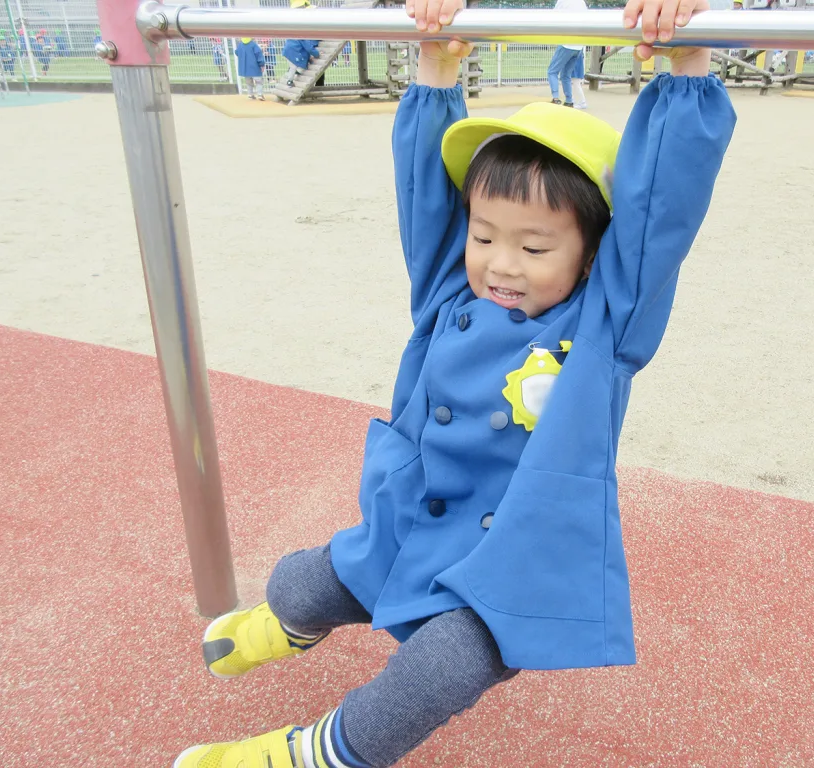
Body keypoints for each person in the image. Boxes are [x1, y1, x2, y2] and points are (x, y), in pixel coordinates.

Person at [172, 0, 735, 765]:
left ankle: (317, 754)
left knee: (436, 670)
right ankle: (289, 626)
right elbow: (424, 200)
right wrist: (437, 62)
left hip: (514, 560)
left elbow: (659, 211)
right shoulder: (449, 291)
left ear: (593, 254)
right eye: (485, 236)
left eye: (535, 247)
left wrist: (686, 66)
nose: (501, 265)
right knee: (305, 582)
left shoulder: (606, 326)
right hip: (409, 523)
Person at [546, 0, 588, 106]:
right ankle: (569, 100)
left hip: (567, 43)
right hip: (579, 45)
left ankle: (555, 97)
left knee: (552, 71)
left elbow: (554, 15)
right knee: (566, 75)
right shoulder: (581, 2)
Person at [283, 0, 324, 88]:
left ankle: (293, 76)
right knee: (302, 62)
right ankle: (293, 77)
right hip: (308, 42)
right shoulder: (301, 26)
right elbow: (308, 46)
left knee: (299, 63)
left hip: (302, 44)